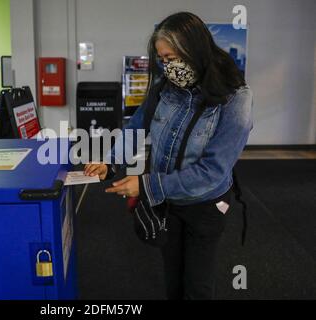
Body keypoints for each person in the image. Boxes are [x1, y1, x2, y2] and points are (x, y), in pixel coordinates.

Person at [84, 12, 253, 300]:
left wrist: (146, 185)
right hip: (168, 204)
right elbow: (137, 126)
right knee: (173, 281)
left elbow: (212, 172)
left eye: (172, 57)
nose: (168, 67)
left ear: (194, 50)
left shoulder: (235, 98)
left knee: (197, 286)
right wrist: (111, 162)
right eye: (163, 60)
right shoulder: (165, 87)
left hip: (206, 206)